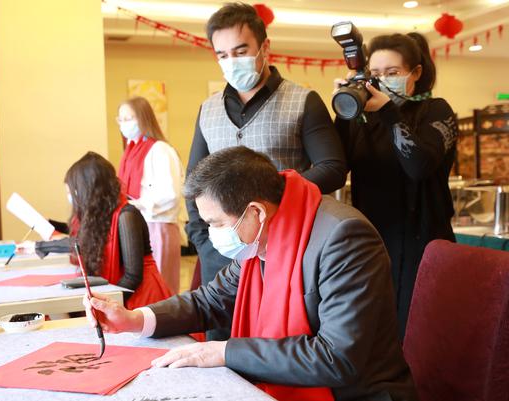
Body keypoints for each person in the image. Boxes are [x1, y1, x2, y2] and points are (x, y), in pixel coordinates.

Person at [84, 147, 417, 401]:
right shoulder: (261, 235)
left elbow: (337, 357)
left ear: (255, 211)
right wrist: (134, 319)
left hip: (355, 394)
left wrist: (225, 351)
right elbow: (210, 300)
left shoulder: (343, 238)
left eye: (215, 223)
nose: (212, 234)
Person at [187, 2, 347, 340]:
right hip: (222, 255)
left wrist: (273, 189)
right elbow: (194, 181)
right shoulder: (208, 109)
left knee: (276, 343)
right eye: (222, 54)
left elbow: (333, 168)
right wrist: (203, 241)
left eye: (241, 51)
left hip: (284, 247)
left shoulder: (302, 101)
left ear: (264, 48)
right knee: (220, 349)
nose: (232, 61)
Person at [334, 32, 458, 338]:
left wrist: (389, 112)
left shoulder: (436, 110)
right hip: (374, 241)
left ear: (415, 73)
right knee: (375, 331)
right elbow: (337, 168)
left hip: (424, 242)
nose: (383, 80)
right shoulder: (365, 118)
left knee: (420, 334)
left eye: (393, 73)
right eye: (376, 74)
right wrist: (346, 110)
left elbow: (418, 166)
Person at [33, 151, 172, 309]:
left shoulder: (127, 215)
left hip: (142, 297)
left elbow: (133, 276)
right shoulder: (103, 213)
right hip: (122, 293)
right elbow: (84, 237)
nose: (72, 197)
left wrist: (106, 304)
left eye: (73, 191)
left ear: (88, 189)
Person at [117, 97, 184, 295]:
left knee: (162, 287)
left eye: (129, 118)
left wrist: (136, 205)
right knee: (144, 288)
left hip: (158, 224)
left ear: (143, 118)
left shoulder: (161, 150)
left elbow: (171, 194)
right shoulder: (130, 150)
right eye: (120, 119)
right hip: (137, 224)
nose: (124, 123)